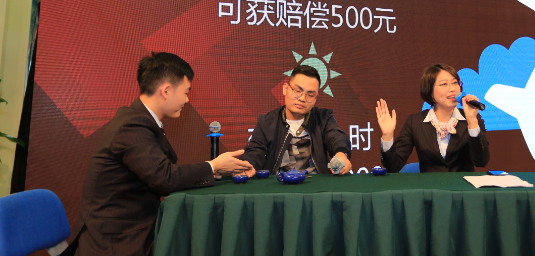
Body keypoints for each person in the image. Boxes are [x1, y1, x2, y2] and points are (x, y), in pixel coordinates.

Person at [63, 52, 253, 256]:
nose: (187, 100)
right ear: (166, 90)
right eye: (186, 92)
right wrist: (213, 165)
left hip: (133, 229)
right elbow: (164, 178)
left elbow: (162, 171)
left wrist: (214, 170)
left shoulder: (140, 119)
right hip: (115, 242)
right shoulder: (132, 125)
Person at [376, 63, 490, 172]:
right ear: (430, 91)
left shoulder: (472, 118)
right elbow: (393, 167)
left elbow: (481, 161)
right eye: (444, 84)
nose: (452, 89)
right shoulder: (415, 122)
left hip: (462, 185)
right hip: (430, 186)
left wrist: (472, 121)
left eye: (455, 82)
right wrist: (387, 135)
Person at [242, 65, 353, 175]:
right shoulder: (266, 123)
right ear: (285, 88)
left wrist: (341, 154)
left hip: (316, 182)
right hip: (279, 182)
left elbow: (336, 137)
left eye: (310, 95)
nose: (302, 98)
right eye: (297, 91)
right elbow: (255, 152)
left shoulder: (323, 118)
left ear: (315, 98)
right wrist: (247, 165)